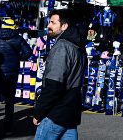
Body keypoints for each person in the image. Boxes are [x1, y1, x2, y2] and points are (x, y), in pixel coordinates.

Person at [33, 10, 86, 139]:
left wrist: (39, 112)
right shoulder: (78, 47)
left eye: (53, 22)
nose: (48, 26)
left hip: (56, 113)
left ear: (64, 26)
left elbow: (53, 84)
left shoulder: (62, 47)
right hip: (70, 113)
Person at [0, 17, 32, 136]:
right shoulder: (18, 38)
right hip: (12, 73)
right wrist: (18, 58)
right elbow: (28, 52)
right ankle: (8, 129)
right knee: (9, 102)